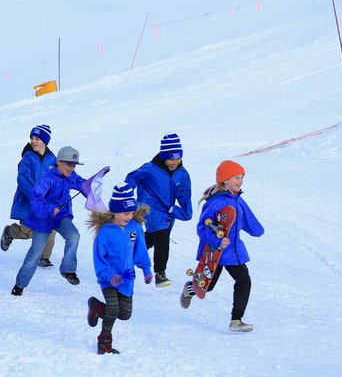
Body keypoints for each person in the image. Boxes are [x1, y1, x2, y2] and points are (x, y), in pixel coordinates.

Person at [187, 160, 265, 332]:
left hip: (233, 252)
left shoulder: (238, 200)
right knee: (208, 286)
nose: (240, 181)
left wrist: (258, 230)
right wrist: (217, 241)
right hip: (214, 252)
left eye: (242, 178)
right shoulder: (216, 202)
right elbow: (202, 228)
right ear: (225, 179)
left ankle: (236, 320)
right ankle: (191, 288)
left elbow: (248, 219)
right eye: (237, 177)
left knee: (244, 280)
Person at [87, 185, 153, 355]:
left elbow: (140, 250)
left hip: (127, 278)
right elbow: (99, 259)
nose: (129, 217)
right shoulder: (105, 232)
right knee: (113, 309)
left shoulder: (135, 228)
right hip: (108, 279)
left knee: (124, 314)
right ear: (115, 211)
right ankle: (104, 344)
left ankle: (97, 307)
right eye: (125, 213)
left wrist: (146, 269)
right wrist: (109, 276)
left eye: (131, 213)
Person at [12, 145, 87, 295]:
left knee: (74, 236)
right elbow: (36, 199)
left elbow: (83, 185)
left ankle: (68, 270)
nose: (71, 168)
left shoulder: (71, 175)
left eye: (74, 165)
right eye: (68, 164)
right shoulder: (47, 179)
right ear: (59, 162)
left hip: (61, 216)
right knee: (35, 253)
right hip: (44, 218)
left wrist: (93, 184)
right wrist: (49, 209)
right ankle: (20, 285)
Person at [126, 133, 192, 287]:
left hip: (167, 211)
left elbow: (184, 194)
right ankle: (160, 274)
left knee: (151, 237)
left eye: (178, 158)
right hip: (148, 207)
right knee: (162, 234)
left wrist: (185, 211)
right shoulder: (150, 169)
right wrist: (125, 194)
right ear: (163, 156)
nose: (175, 162)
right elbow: (131, 178)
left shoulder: (182, 174)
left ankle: (127, 258)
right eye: (171, 158)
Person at [1, 125, 56, 267]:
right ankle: (10, 232)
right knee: (28, 231)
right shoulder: (28, 157)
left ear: (45, 141)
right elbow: (23, 179)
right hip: (29, 200)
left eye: (37, 138)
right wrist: (36, 196)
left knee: (50, 227)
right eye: (32, 138)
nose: (33, 141)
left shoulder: (52, 159)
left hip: (46, 202)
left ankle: (43, 257)